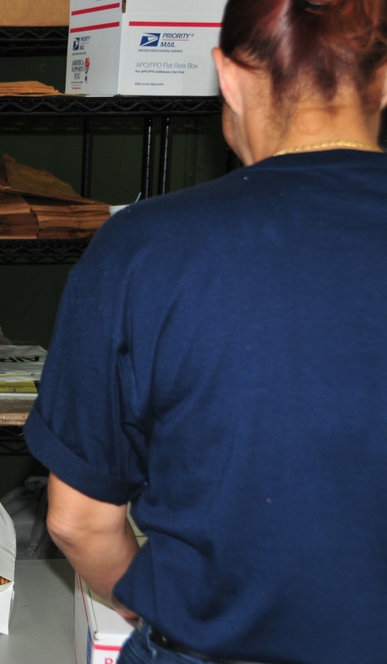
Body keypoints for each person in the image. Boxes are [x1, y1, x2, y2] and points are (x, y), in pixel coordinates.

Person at [24, 0, 387, 662]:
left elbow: (78, 522)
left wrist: (153, 601)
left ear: (228, 75)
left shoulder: (145, 248)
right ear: (384, 78)